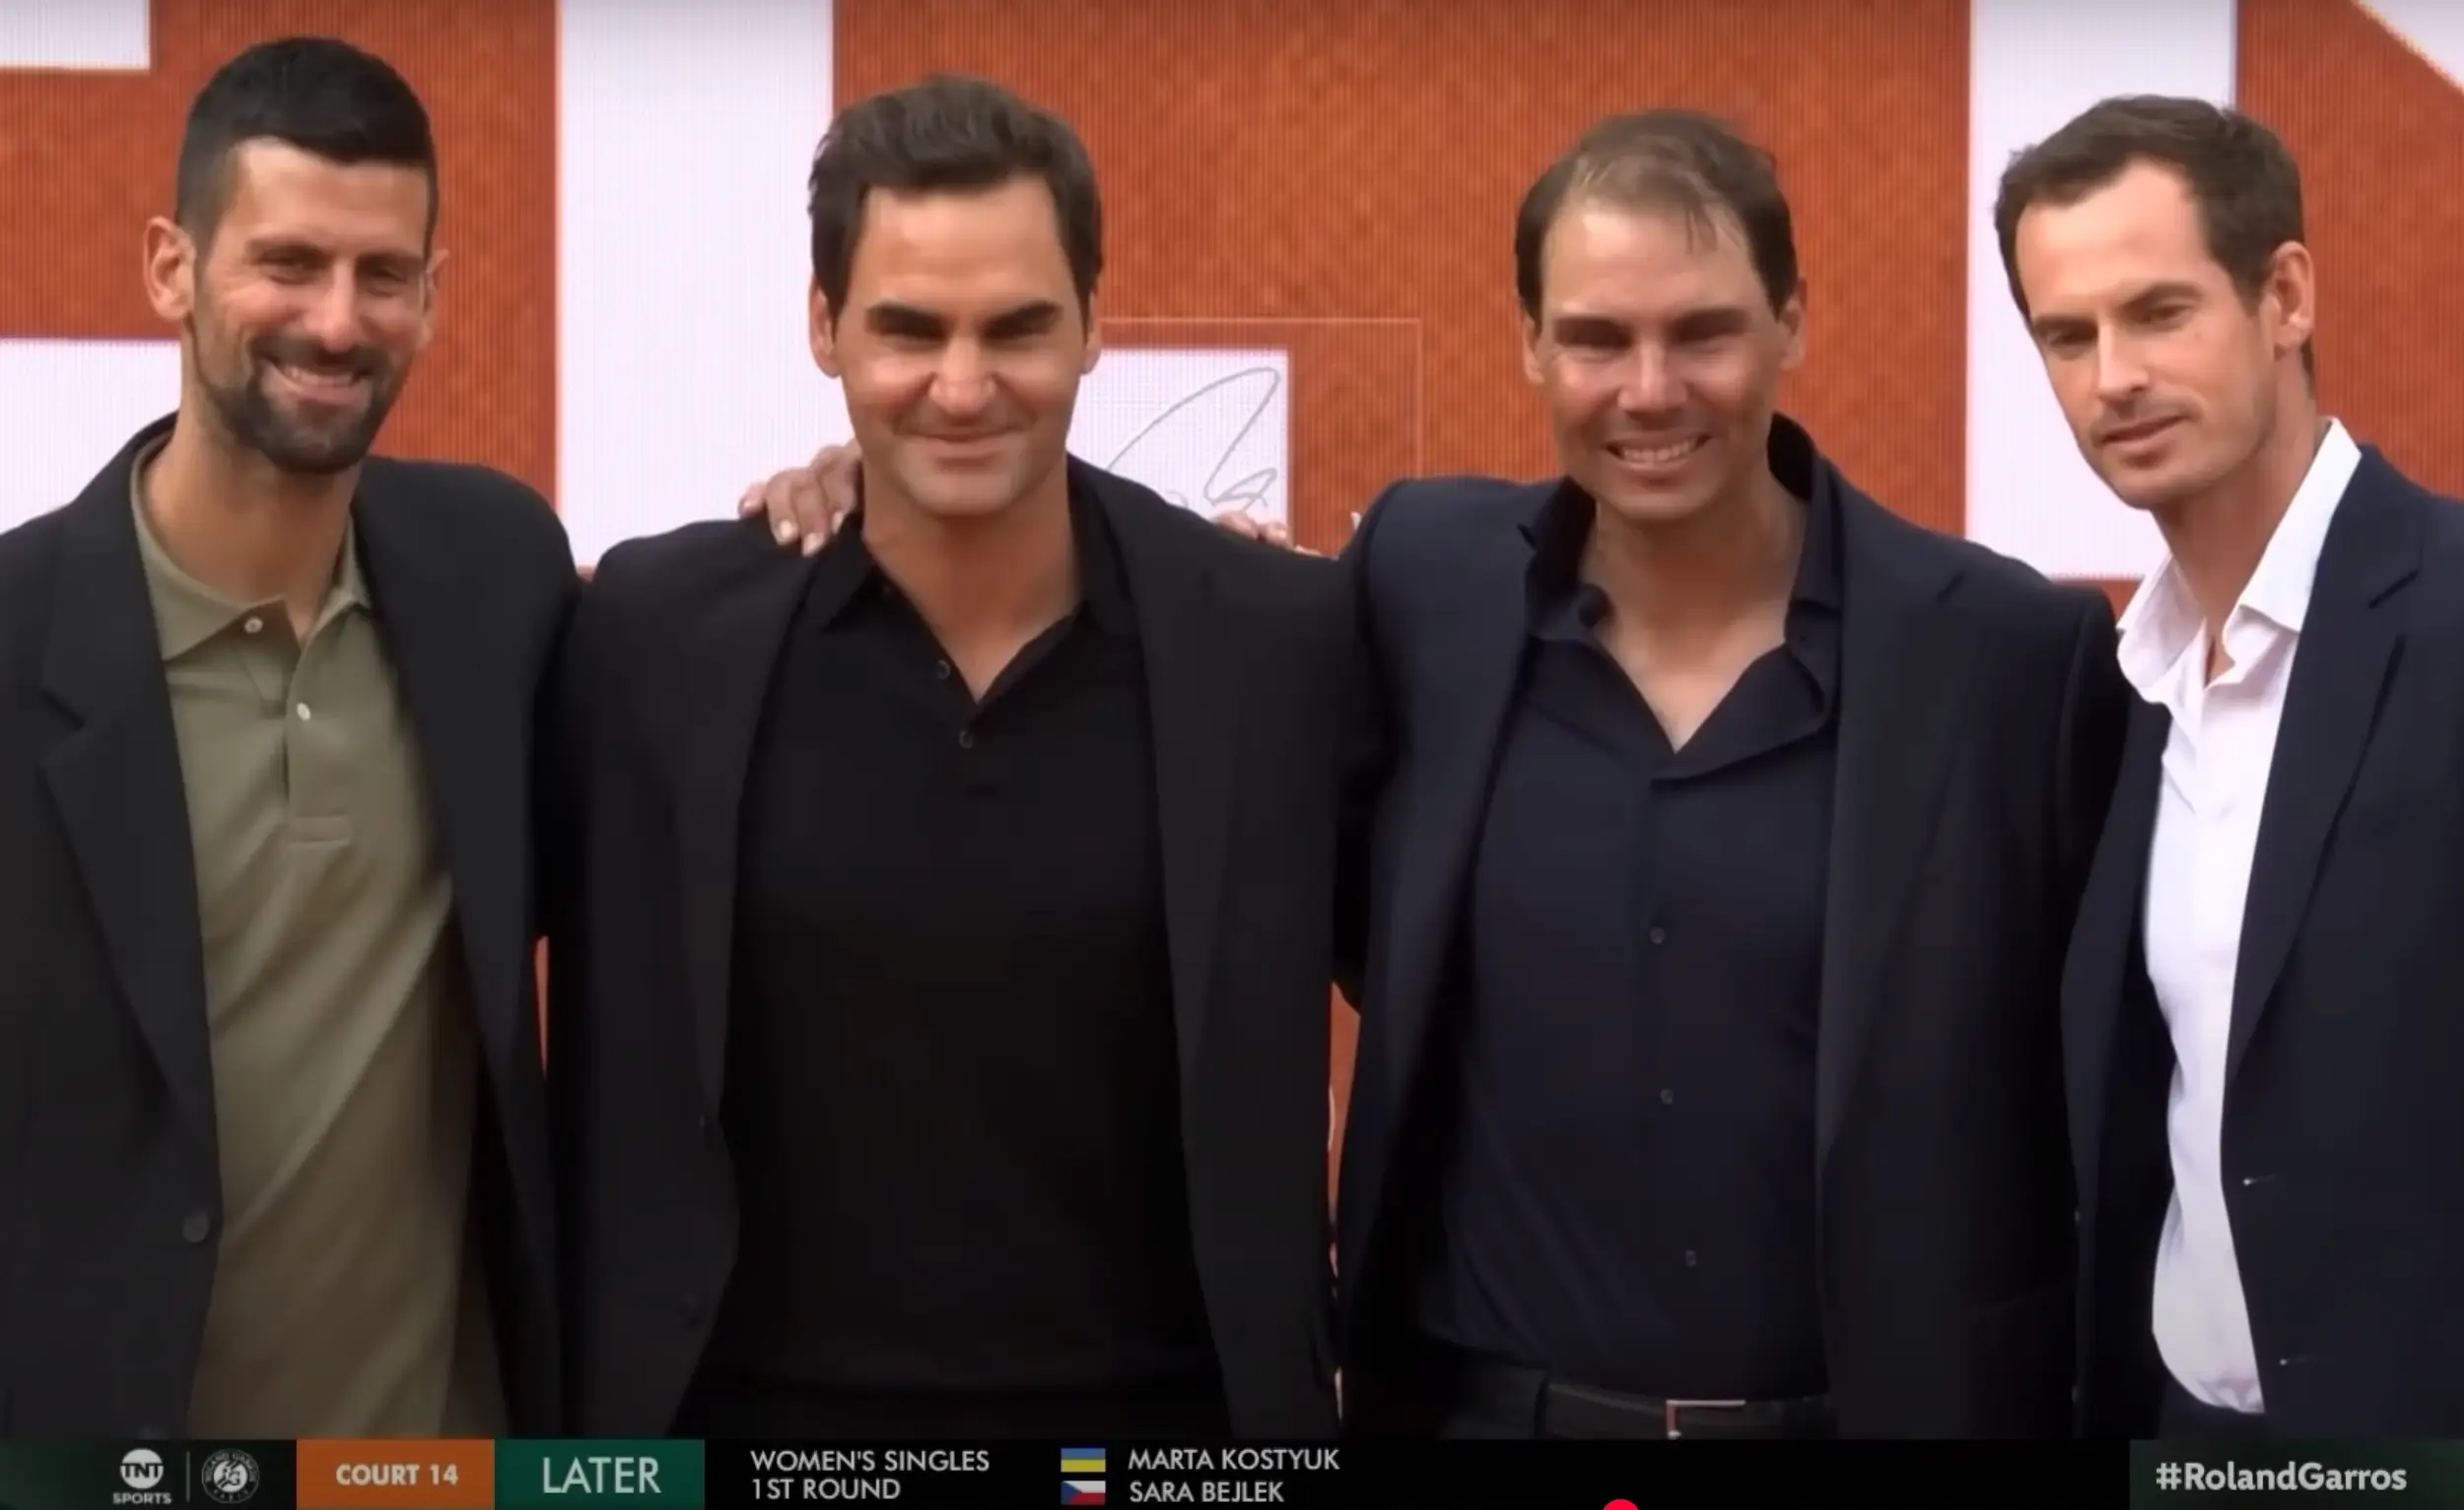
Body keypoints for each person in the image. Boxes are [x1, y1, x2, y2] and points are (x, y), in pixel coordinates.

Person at [757, 110, 2133, 1438]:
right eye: (1596, 337)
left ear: (1792, 321)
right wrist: (864, 479)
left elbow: (2119, 1094)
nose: (1649, 390)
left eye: (1702, 332)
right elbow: (1135, 586)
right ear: (1530, 343)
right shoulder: (1420, 587)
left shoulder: (2010, 659)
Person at [549, 74, 1375, 1440]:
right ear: (823, 330)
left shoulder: (1277, 643)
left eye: (1018, 328)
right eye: (908, 330)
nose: (963, 383)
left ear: (1097, 326)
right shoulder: (653, 639)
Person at [0, 38, 570, 1437]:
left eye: (383, 275)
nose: (335, 320)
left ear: (433, 300)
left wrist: (856, 490)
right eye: (287, 262)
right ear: (170, 270)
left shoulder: (502, 577)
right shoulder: (16, 640)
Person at [1999, 96, 2464, 1439]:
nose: (2113, 379)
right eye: (2066, 337)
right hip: (2187, 1432)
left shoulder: (2444, 618)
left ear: (2287, 295)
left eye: (2159, 313)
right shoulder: (2123, 688)